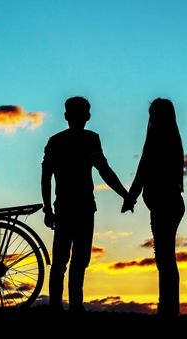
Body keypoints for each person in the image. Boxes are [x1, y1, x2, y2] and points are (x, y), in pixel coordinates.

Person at [41, 96, 130, 311]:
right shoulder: (90, 139)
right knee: (78, 260)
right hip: (82, 208)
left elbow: (46, 176)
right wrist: (124, 194)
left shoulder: (56, 141)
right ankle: (74, 306)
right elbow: (104, 170)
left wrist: (48, 208)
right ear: (88, 116)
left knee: (62, 260)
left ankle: (58, 306)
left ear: (66, 116)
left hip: (65, 207)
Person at [123, 98, 185, 318]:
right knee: (166, 256)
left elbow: (143, 170)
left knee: (165, 257)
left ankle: (167, 310)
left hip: (164, 203)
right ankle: (169, 308)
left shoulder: (157, 139)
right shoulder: (174, 139)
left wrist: (130, 197)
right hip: (173, 202)